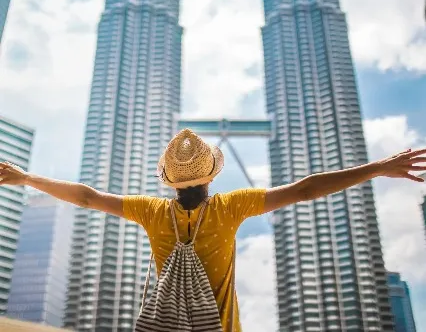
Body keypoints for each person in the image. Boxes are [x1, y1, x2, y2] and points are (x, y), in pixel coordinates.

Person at [1, 128, 425, 331]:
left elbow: (88, 197)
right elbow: (305, 189)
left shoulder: (151, 212)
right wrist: (378, 168)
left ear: (168, 179)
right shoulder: (230, 206)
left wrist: (28, 178)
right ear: (210, 177)